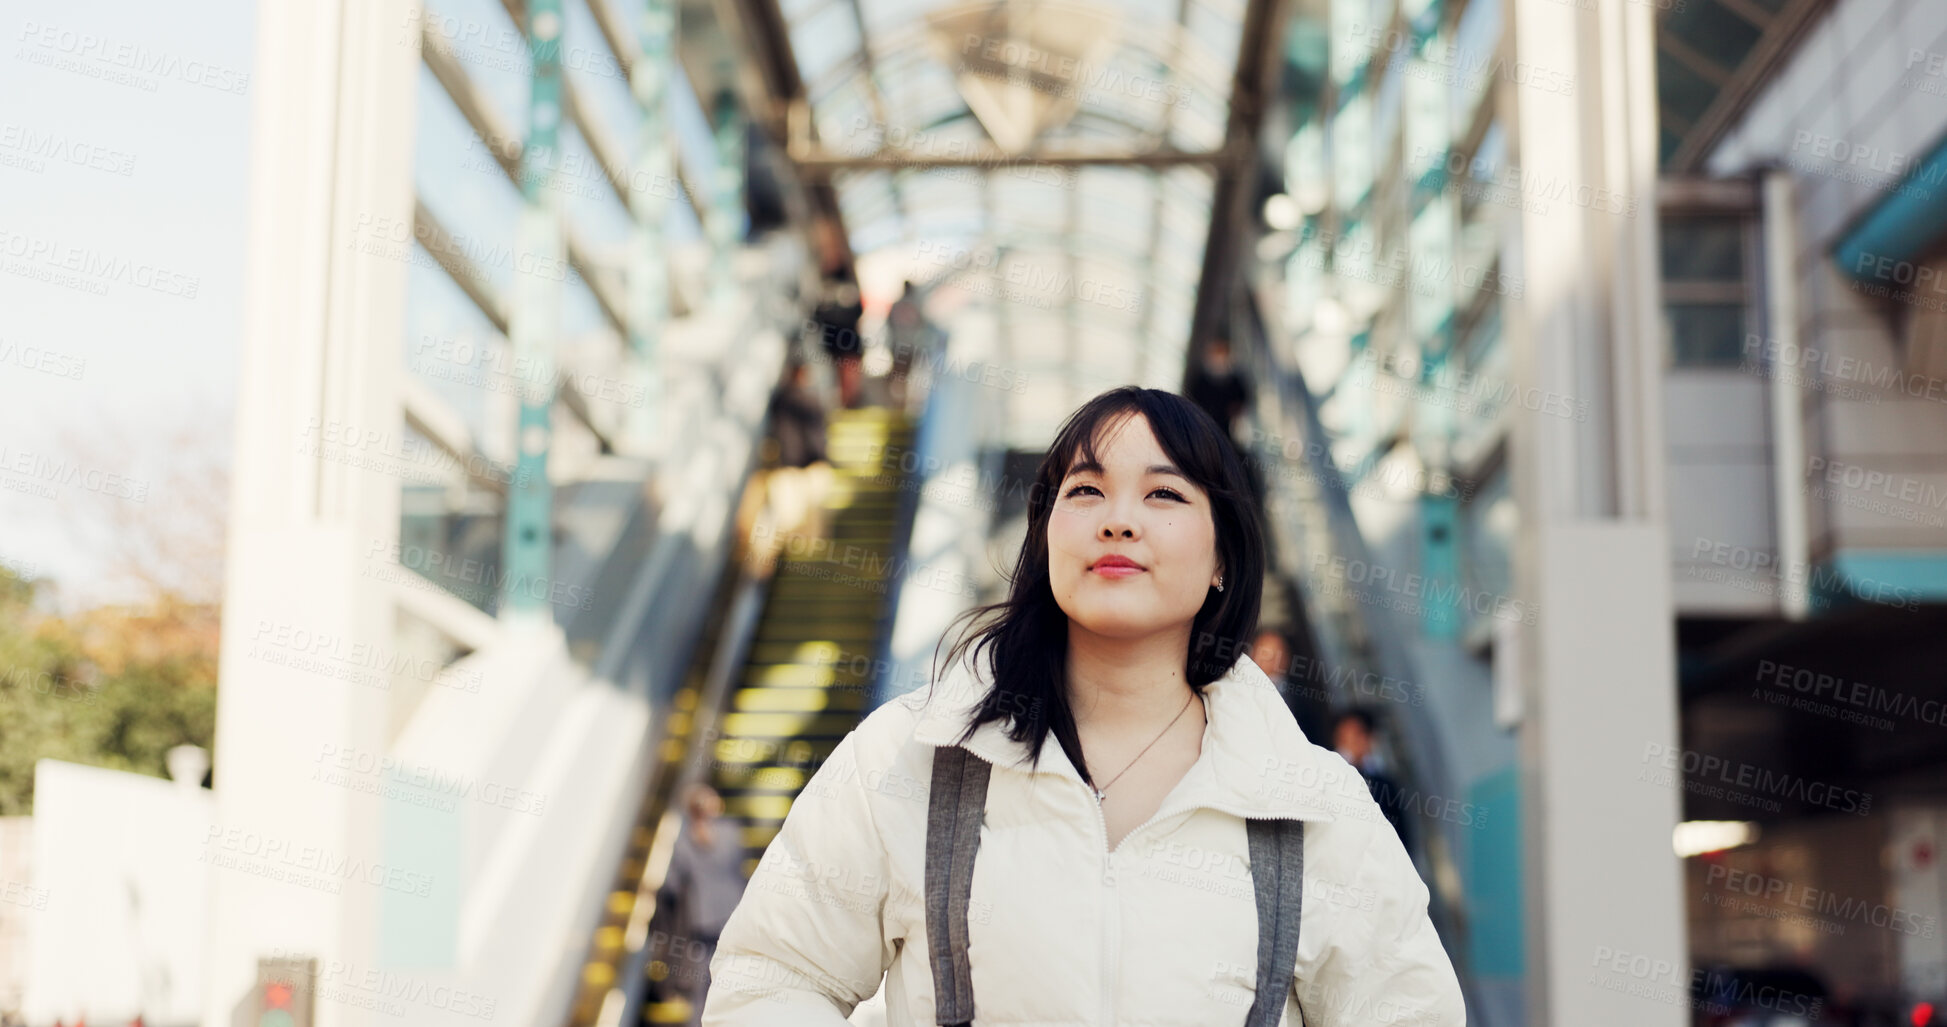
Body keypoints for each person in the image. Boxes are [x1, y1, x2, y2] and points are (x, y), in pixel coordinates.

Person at [703, 386, 1465, 1025]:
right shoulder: (908, 756)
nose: (1117, 518)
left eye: (1163, 493)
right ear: (1046, 536)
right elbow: (771, 977)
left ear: (1222, 559)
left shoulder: (1312, 805)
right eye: (1085, 490)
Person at [655, 783, 749, 1027]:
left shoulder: (684, 839)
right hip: (733, 912)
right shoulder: (730, 831)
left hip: (702, 918)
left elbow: (672, 885)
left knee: (703, 982)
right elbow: (738, 867)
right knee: (738, 974)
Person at [1333, 707, 1413, 852]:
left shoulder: (1385, 783)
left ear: (1368, 738)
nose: (1351, 744)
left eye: (1357, 736)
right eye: (1345, 738)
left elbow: (1402, 835)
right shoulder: (1330, 778)